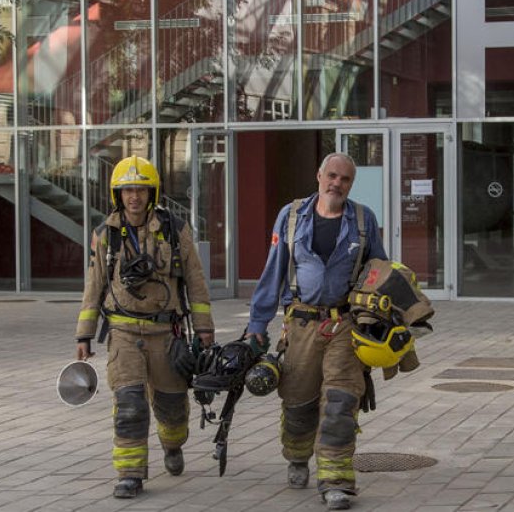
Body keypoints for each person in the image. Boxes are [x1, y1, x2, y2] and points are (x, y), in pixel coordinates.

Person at [245, 152, 388, 511]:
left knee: (341, 402)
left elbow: (379, 271)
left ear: (351, 184)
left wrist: (384, 318)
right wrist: (257, 325)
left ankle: (336, 481)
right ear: (319, 175)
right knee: (298, 402)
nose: (337, 184)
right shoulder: (291, 217)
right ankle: (297, 457)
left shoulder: (363, 220)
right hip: (301, 325)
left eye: (345, 180)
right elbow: (272, 271)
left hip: (344, 326)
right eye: (332, 176)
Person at [75, 155, 215, 499]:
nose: (133, 196)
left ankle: (172, 445)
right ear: (117, 195)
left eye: (140, 189)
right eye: (127, 191)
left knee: (171, 409)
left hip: (166, 334)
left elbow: (195, 282)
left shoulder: (175, 229)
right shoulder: (105, 234)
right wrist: (84, 333)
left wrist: (205, 329)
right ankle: (130, 474)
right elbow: (93, 286)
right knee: (130, 406)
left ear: (151, 193)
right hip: (123, 334)